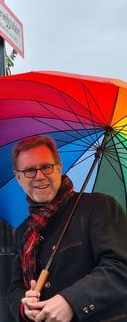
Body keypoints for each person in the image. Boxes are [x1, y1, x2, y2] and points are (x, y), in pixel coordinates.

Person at [7, 135, 127, 322]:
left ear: (59, 168)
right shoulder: (23, 231)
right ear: (18, 176)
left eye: (46, 167)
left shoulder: (99, 207)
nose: (39, 176)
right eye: (30, 170)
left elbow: (120, 267)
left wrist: (72, 301)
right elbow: (14, 288)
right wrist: (25, 306)